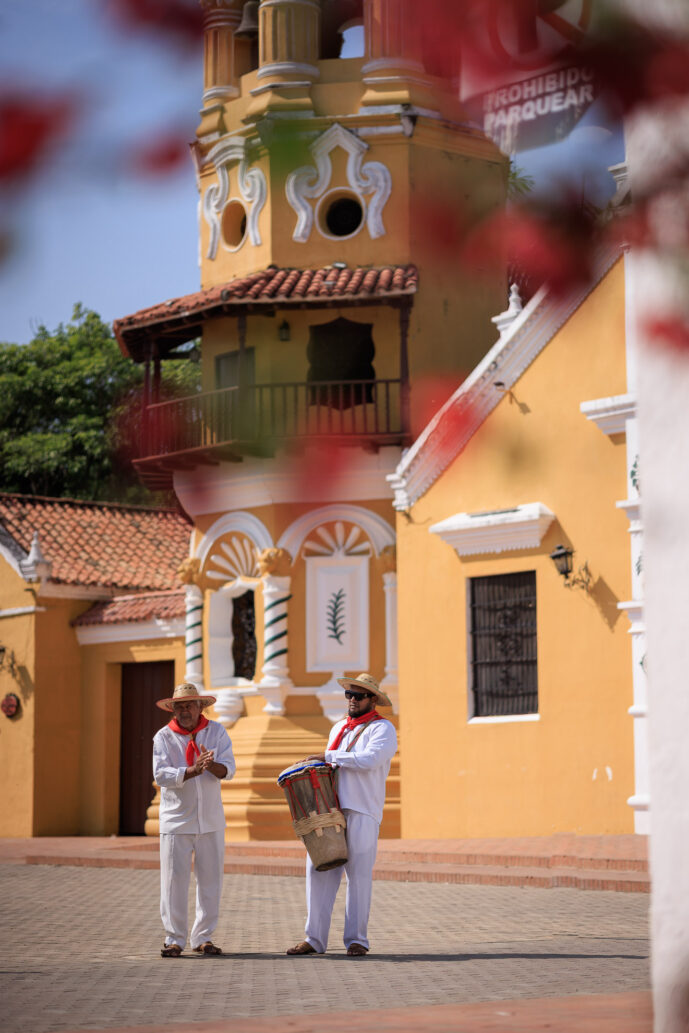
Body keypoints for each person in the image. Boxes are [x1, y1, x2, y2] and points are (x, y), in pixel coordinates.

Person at [286, 672, 397, 957]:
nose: (352, 700)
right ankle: (314, 939)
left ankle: (357, 939)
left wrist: (329, 757)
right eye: (349, 694)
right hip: (330, 810)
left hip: (362, 809)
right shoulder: (338, 729)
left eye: (358, 695)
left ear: (373, 699)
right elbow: (333, 766)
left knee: (358, 875)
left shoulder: (383, 729)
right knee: (317, 870)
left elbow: (371, 760)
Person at [153, 682, 236, 958]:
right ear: (173, 709)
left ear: (201, 707)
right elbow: (161, 775)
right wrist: (191, 770)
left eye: (190, 705)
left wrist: (209, 764)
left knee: (210, 881)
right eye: (179, 706)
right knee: (174, 882)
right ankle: (174, 938)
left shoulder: (217, 732)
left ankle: (203, 937)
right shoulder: (163, 737)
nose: (184, 710)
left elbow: (229, 770)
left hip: (211, 820)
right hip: (176, 821)